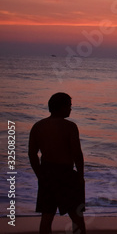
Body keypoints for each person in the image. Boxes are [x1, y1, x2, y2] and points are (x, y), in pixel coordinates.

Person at [29, 92, 86, 234]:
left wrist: (39, 174)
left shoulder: (38, 126)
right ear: (61, 107)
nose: (71, 109)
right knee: (76, 216)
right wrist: (80, 176)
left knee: (47, 216)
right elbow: (77, 154)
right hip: (66, 174)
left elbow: (32, 154)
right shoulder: (70, 127)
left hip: (47, 174)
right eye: (69, 106)